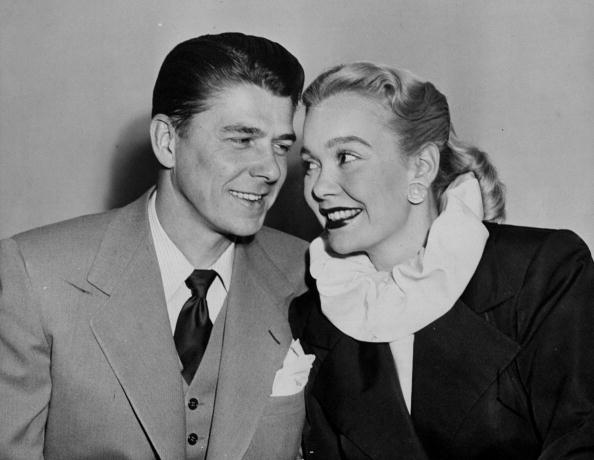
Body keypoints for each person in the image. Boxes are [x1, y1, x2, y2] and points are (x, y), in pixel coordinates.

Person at [0, 33, 313, 460]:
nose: (271, 169)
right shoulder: (35, 271)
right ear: (167, 140)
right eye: (242, 139)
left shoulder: (309, 273)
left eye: (280, 146)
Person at [290, 62, 594, 459]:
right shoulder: (315, 314)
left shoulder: (543, 272)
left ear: (421, 167)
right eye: (311, 165)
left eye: (346, 156)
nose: (320, 187)